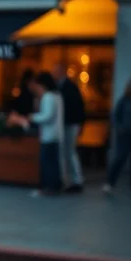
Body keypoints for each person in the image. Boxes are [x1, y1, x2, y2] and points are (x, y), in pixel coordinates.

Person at [10, 72, 64, 197]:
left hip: (48, 135)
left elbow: (47, 116)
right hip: (56, 134)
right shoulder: (57, 96)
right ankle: (55, 186)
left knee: (46, 162)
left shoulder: (48, 97)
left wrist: (32, 117)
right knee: (53, 162)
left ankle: (48, 187)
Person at [104, 78, 131, 195]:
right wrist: (120, 128)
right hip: (125, 133)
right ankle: (110, 183)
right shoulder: (124, 100)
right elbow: (115, 115)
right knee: (120, 157)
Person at [53, 62, 86, 193]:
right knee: (65, 152)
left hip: (70, 124)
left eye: (55, 71)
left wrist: (80, 124)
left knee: (69, 151)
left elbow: (78, 107)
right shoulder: (59, 87)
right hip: (65, 124)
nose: (53, 73)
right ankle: (67, 179)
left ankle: (76, 180)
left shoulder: (69, 87)